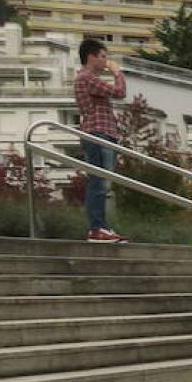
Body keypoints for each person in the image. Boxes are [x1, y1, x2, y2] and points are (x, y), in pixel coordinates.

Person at [73, 38, 128, 243]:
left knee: (102, 183)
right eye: (103, 57)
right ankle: (97, 228)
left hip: (103, 132)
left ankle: (101, 227)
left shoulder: (87, 78)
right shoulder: (86, 78)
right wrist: (117, 72)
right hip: (98, 132)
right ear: (91, 57)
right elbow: (119, 92)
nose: (106, 61)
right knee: (99, 182)